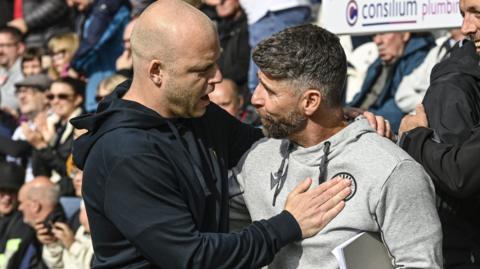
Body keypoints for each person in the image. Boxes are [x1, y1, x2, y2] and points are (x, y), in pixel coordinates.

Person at [70, 1, 351, 267]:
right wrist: (288, 224)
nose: (217, 76)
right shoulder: (126, 153)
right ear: (157, 71)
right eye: (202, 69)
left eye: (215, 62)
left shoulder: (194, 111)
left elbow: (264, 146)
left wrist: (336, 119)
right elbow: (193, 258)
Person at [230, 24, 442, 268]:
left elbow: (420, 263)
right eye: (258, 83)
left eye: (269, 90)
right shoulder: (258, 157)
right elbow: (199, 227)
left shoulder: (392, 170)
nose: (255, 98)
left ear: (310, 101)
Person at [399, 1, 480, 266]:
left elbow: (460, 173)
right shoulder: (453, 85)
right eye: (463, 14)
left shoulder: (455, 86)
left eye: (478, 13)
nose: (466, 28)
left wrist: (415, 136)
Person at [349, 32, 435, 132]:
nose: (377, 40)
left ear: (405, 34)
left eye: (384, 33)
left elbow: (398, 110)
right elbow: (363, 96)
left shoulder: (419, 57)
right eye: (375, 34)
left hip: (378, 126)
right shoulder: (383, 59)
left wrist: (359, 120)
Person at [17, 176, 65, 269]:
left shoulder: (64, 234)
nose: (19, 208)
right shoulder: (27, 231)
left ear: (35, 205)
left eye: (21, 202)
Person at [0, 162, 33, 269]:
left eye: (12, 192)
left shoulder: (23, 223)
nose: (7, 198)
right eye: (2, 192)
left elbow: (8, 261)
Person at [0, 26, 24, 113]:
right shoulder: (2, 69)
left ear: (19, 48)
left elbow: (13, 104)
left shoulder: (26, 70)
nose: (0, 51)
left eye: (3, 46)